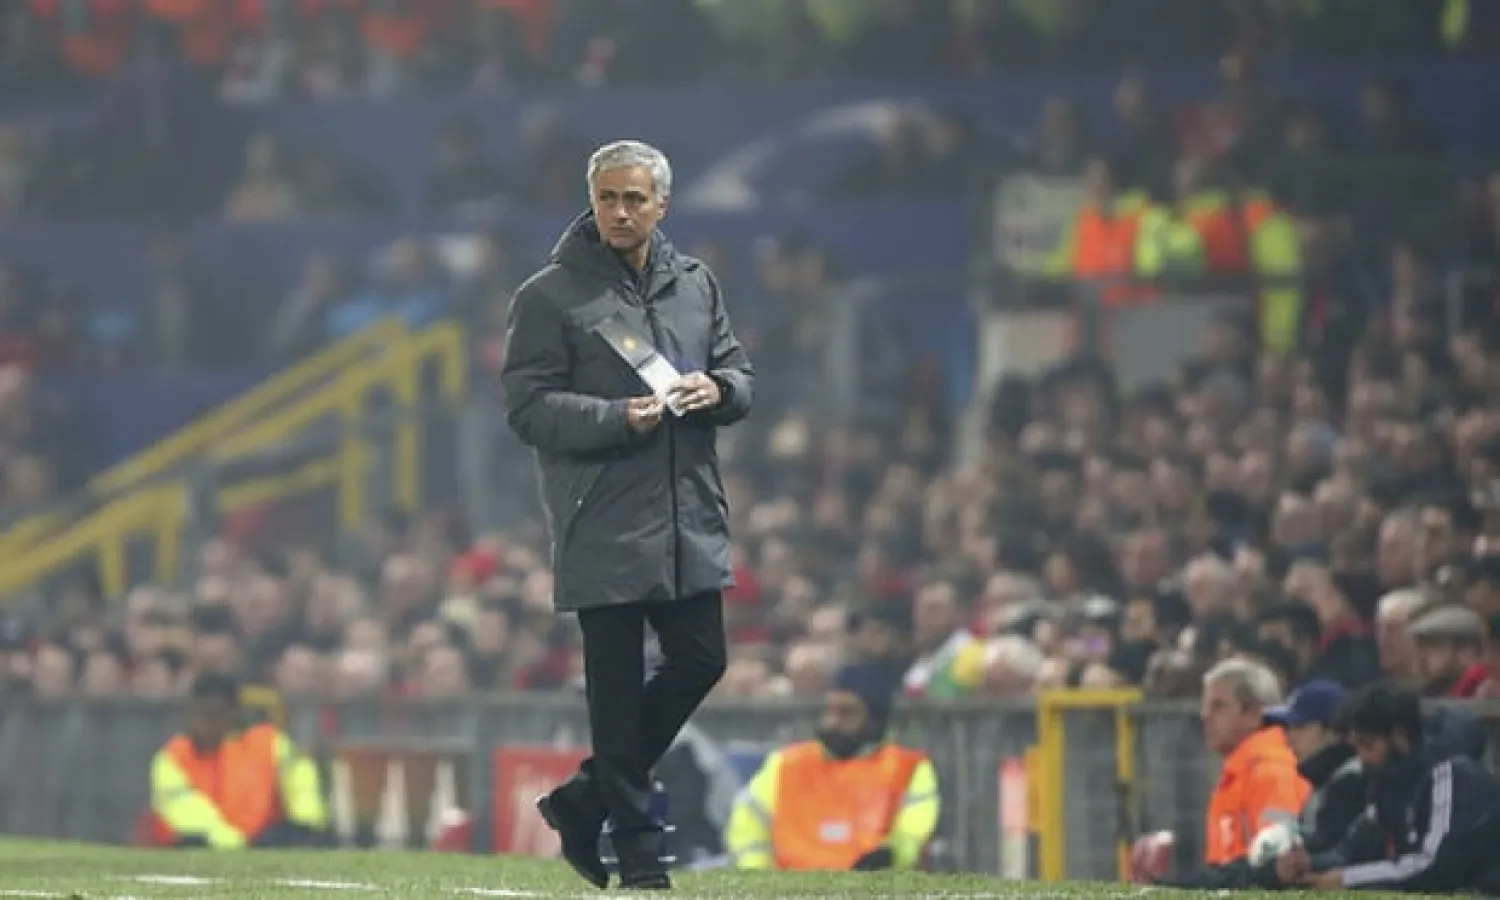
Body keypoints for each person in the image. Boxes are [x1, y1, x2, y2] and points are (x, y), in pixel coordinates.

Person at [501, 139, 754, 891]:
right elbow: (527, 407)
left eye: (634, 199)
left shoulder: (696, 283)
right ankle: (641, 858)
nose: (619, 211)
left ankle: (583, 801)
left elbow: (737, 368)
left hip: (687, 511)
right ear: (591, 198)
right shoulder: (549, 295)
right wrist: (618, 417)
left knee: (702, 659)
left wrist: (723, 391)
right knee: (614, 698)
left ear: (662, 205)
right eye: (607, 197)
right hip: (601, 514)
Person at [1276, 682, 1500, 894]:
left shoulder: (1451, 775)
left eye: (1368, 745)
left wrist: (1349, 879)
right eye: (1358, 747)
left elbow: (1434, 867)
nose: (1362, 758)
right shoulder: (1388, 784)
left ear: (1399, 735)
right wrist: (1309, 863)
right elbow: (1350, 851)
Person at [723, 664, 940, 871]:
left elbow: (913, 833)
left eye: (847, 712)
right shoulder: (787, 764)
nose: (832, 722)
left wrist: (891, 857)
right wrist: (759, 878)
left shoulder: (907, 767)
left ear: (875, 720)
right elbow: (748, 824)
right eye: (831, 710)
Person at [1133, 658, 1310, 887]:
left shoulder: (1270, 772)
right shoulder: (1243, 770)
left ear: (1254, 714)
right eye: (1205, 706)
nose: (1205, 715)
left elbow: (1276, 869)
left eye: (1219, 706)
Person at [145, 673, 329, 849]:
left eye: (217, 713)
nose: (209, 722)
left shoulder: (269, 743)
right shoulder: (174, 757)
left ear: (233, 712)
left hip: (267, 843)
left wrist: (305, 824)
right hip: (205, 850)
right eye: (203, 713)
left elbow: (301, 784)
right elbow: (187, 813)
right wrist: (237, 844)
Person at [1263, 679, 1365, 854]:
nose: (1289, 737)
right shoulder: (1324, 779)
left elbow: (1327, 856)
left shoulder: (1351, 782)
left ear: (1334, 732)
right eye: (1287, 727)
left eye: (1300, 726)